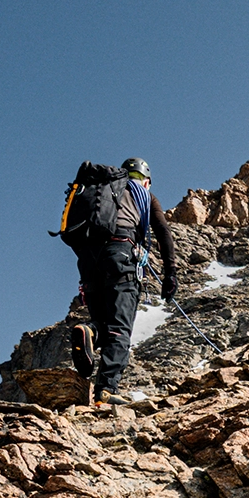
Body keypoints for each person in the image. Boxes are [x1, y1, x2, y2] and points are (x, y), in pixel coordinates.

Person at [70, 157, 177, 406]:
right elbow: (163, 233)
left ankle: (90, 331)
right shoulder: (145, 195)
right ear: (147, 181)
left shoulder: (103, 189)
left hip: (88, 261)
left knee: (104, 322)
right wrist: (170, 273)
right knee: (120, 326)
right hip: (120, 254)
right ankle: (106, 389)